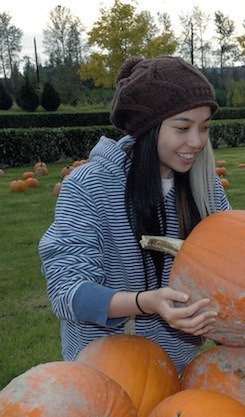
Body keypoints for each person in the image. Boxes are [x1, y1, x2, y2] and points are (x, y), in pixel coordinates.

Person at [39, 56, 232, 373]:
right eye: (183, 127)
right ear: (149, 128)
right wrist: (145, 302)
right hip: (105, 371)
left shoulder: (205, 185)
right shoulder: (89, 187)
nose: (196, 142)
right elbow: (67, 293)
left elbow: (232, 270)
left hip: (179, 370)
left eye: (205, 127)